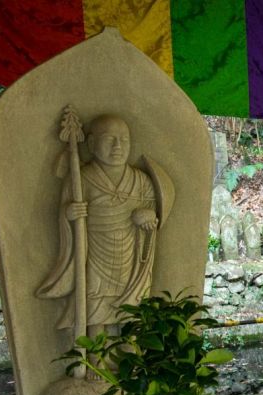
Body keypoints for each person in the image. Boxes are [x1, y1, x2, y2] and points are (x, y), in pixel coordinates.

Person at [37, 115, 170, 335]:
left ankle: (130, 356)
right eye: (109, 139)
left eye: (124, 140)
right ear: (90, 144)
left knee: (130, 310)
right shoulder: (81, 180)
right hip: (96, 256)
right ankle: (95, 361)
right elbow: (64, 214)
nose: (118, 146)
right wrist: (69, 214)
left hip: (131, 260)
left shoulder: (142, 182)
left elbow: (153, 216)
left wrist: (147, 217)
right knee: (95, 309)